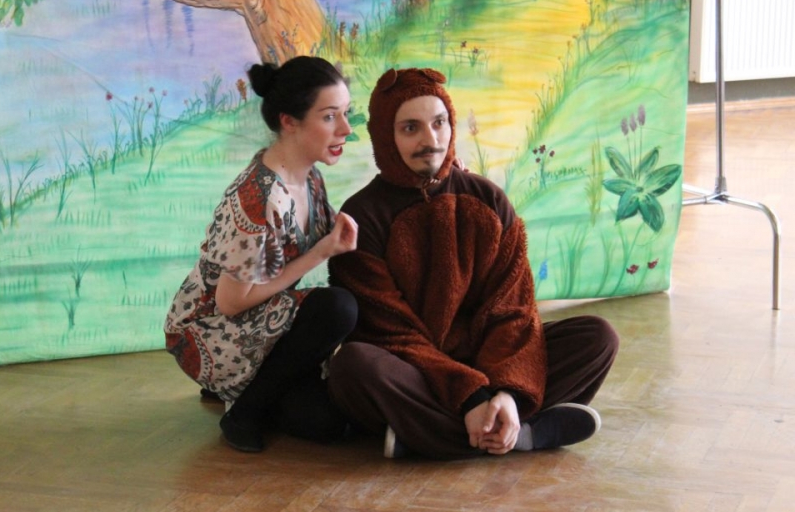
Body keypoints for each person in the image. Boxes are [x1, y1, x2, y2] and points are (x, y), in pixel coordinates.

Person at [327, 67, 619, 459]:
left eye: (439, 123)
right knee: (354, 365)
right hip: (418, 371)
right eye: (411, 128)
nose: (431, 140)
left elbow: (513, 311)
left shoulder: (488, 200)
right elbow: (391, 334)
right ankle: (523, 435)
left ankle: (430, 438)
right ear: (385, 135)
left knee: (597, 338)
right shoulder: (362, 217)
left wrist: (507, 392)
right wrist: (470, 397)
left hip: (488, 361)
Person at [165, 56, 359, 453]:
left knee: (326, 424)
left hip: (265, 325)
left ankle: (246, 390)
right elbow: (231, 303)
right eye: (329, 117)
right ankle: (243, 413)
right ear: (289, 121)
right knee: (337, 308)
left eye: (345, 113)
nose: (346, 128)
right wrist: (321, 252)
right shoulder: (258, 197)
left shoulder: (311, 178)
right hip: (211, 331)